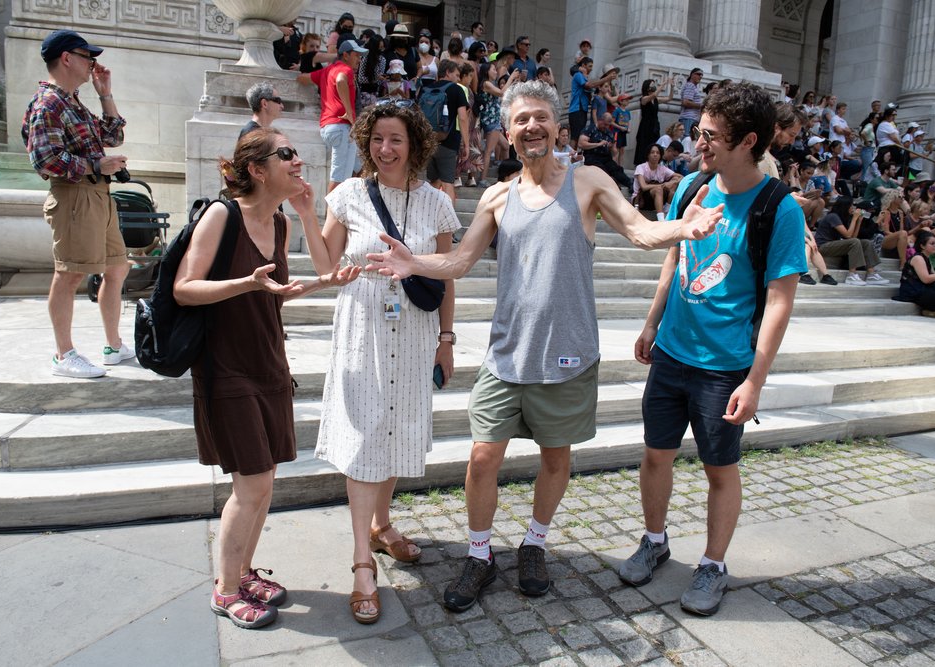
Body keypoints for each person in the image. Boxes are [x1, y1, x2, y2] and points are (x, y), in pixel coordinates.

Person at [364, 80, 722, 613]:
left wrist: (682, 230)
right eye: (520, 120)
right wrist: (413, 262)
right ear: (507, 134)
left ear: (558, 127)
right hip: (507, 354)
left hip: (568, 353)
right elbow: (460, 261)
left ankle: (534, 543)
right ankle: (480, 554)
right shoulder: (498, 195)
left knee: (555, 459)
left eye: (539, 118)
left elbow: (641, 232)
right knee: (483, 458)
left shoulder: (590, 182)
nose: (530, 127)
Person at [620, 83, 807, 617]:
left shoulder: (779, 209)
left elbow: (778, 303)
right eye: (698, 132)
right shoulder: (692, 188)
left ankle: (713, 566)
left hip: (724, 368)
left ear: (748, 141)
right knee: (655, 455)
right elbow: (672, 261)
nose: (697, 143)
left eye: (710, 136)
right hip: (672, 354)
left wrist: (755, 381)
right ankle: (654, 541)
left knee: (719, 468)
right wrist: (651, 323)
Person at [174, 128, 360, 630]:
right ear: (257, 169)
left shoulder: (278, 222)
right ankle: (226, 590)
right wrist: (244, 282)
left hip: (269, 365)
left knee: (265, 481)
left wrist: (323, 276)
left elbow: (272, 292)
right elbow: (185, 289)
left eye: (297, 153)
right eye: (287, 154)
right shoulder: (222, 215)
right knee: (251, 485)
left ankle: (244, 571)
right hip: (225, 368)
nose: (298, 161)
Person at [303, 103, 460, 625]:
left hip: (415, 330)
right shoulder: (347, 195)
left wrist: (446, 339)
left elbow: (445, 275)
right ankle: (362, 561)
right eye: (377, 139)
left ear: (413, 145)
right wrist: (307, 212)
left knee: (395, 428)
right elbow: (326, 267)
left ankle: (382, 525)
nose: (385, 149)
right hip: (363, 325)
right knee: (366, 433)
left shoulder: (437, 204)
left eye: (396, 140)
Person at [23, 29, 131, 378]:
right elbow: (45, 160)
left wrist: (106, 95)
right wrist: (95, 165)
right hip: (75, 195)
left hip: (97, 194)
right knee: (69, 274)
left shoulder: (72, 101)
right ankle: (62, 354)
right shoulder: (48, 103)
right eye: (88, 57)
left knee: (117, 268)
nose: (93, 65)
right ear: (67, 58)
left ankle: (113, 345)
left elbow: (112, 135)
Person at [299, 40, 367, 193]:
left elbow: (302, 78)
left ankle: (348, 206)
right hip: (341, 127)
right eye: (357, 55)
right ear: (345, 55)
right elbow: (341, 80)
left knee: (359, 167)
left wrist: (296, 70)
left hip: (329, 127)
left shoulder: (327, 70)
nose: (359, 59)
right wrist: (349, 112)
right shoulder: (346, 70)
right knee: (339, 179)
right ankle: (331, 216)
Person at [421, 59, 470, 201]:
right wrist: (466, 144)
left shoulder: (426, 89)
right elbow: (463, 117)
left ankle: (428, 217)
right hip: (448, 142)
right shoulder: (457, 89)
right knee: (448, 183)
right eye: (456, 74)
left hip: (428, 142)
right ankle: (450, 222)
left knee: (433, 183)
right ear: (448, 72)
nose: (458, 78)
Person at [814, 197, 889, 285]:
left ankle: (871, 274)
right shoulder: (833, 216)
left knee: (865, 243)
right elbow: (848, 235)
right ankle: (851, 275)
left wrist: (858, 221)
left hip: (833, 244)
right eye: (851, 206)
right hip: (823, 246)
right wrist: (854, 219)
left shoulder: (843, 218)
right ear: (845, 207)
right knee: (855, 242)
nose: (853, 208)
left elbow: (853, 237)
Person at [476, 61, 516, 187]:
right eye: (493, 69)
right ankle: (482, 179)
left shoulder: (489, 84)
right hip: (491, 120)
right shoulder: (486, 83)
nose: (495, 71)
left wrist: (512, 82)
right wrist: (511, 78)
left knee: (505, 145)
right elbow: (501, 93)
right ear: (487, 71)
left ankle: (505, 177)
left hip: (493, 120)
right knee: (488, 151)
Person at [897, 231, 935, 318]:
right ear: (922, 246)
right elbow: (926, 279)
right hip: (913, 292)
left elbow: (934, 276)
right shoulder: (918, 258)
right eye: (932, 243)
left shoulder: (927, 258)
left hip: (923, 289)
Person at [568, 57, 617, 146]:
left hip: (582, 110)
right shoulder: (578, 75)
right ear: (583, 65)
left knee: (579, 136)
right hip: (576, 109)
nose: (591, 69)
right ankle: (569, 158)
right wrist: (607, 78)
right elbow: (590, 85)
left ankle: (574, 158)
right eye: (589, 66)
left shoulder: (584, 77)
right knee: (575, 137)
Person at [579, 111, 632, 190]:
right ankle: (612, 183)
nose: (606, 127)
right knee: (601, 170)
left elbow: (615, 152)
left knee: (616, 169)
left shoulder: (609, 133)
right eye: (605, 124)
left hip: (606, 157)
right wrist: (598, 144)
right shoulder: (590, 129)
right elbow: (581, 144)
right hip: (592, 156)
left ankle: (630, 184)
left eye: (608, 125)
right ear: (600, 120)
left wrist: (611, 147)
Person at [633, 77, 674, 166]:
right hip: (645, 125)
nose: (654, 86)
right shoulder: (643, 99)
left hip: (654, 125)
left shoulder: (655, 100)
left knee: (654, 144)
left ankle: (652, 163)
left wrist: (672, 86)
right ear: (647, 87)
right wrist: (663, 84)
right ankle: (642, 164)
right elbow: (654, 95)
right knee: (644, 145)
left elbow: (669, 98)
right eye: (652, 84)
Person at [632, 144, 681, 214]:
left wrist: (671, 183)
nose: (655, 155)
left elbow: (681, 177)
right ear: (648, 155)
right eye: (652, 152)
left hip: (658, 197)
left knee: (675, 181)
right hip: (641, 199)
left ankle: (667, 207)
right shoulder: (640, 167)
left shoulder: (662, 168)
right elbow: (644, 187)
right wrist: (663, 185)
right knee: (658, 189)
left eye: (658, 153)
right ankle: (661, 218)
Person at [677, 67, 704, 139]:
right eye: (698, 74)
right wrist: (701, 106)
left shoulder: (693, 86)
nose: (700, 76)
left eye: (701, 75)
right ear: (692, 75)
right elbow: (685, 102)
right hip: (688, 118)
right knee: (687, 139)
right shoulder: (690, 85)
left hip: (691, 118)